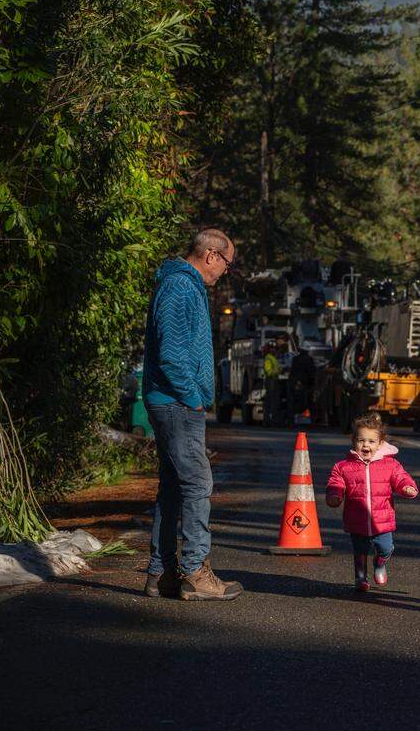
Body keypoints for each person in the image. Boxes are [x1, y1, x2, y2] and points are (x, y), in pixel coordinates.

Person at [142, 228, 243, 601]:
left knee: (172, 488)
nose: (225, 272)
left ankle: (161, 573)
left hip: (173, 401)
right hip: (176, 403)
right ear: (211, 256)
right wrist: (192, 397)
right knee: (198, 485)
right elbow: (170, 350)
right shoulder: (180, 287)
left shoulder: (183, 286)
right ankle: (196, 573)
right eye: (227, 264)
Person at [326, 414, 419, 592]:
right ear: (354, 441)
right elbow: (335, 482)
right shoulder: (343, 466)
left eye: (371, 441)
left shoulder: (390, 464)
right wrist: (335, 495)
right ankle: (360, 578)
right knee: (360, 551)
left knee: (385, 547)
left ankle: (379, 562)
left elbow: (401, 478)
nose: (366, 445)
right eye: (361, 440)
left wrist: (407, 487)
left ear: (380, 443)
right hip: (356, 518)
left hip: (382, 520)